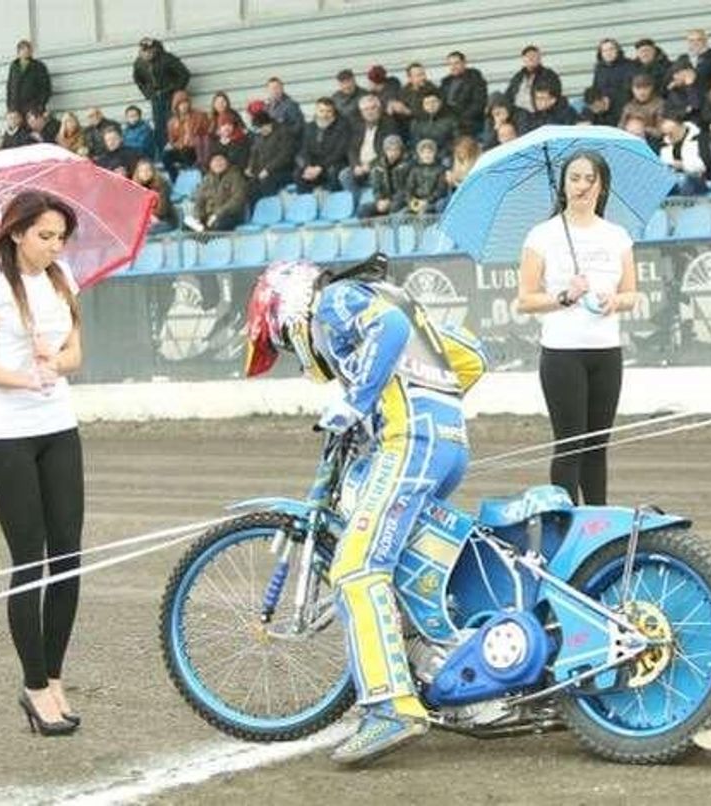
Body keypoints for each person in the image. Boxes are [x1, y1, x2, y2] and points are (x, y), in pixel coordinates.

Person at [242, 256, 488, 765]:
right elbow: (469, 358)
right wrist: (415, 393)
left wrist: (359, 400)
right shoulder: (391, 296)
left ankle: (391, 709)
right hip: (447, 443)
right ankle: (452, 677)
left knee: (356, 567)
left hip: (410, 442)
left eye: (283, 342)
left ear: (288, 311)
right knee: (404, 565)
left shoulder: (333, 300)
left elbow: (390, 328)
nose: (294, 352)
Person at [0, 191, 85, 737]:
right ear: (17, 233)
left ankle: (55, 679)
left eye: (60, 236)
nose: (55, 245)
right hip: (8, 436)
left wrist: (53, 362)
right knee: (29, 558)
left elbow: (76, 353)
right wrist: (24, 377)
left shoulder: (63, 278)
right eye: (44, 235)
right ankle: (33, 685)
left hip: (59, 428)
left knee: (69, 557)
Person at [516, 151, 639, 505]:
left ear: (602, 187)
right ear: (563, 184)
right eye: (575, 178)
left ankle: (598, 523)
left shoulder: (617, 236)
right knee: (571, 443)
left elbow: (631, 294)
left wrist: (614, 301)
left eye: (590, 179)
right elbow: (525, 299)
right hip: (562, 353)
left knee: (598, 445)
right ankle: (566, 523)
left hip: (606, 351)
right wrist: (565, 296)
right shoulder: (542, 235)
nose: (582, 185)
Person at [132, 37, 191, 156]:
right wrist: (148, 94)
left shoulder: (167, 59)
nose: (146, 53)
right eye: (143, 51)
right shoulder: (139, 63)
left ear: (154, 49)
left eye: (149, 50)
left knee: (174, 123)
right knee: (159, 126)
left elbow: (185, 75)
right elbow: (138, 80)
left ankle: (179, 152)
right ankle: (164, 153)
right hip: (155, 98)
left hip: (171, 97)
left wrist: (174, 91)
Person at [440, 51, 488, 136]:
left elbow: (478, 104)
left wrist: (460, 119)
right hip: (449, 120)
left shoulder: (475, 78)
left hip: (470, 121)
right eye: (450, 64)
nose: (453, 67)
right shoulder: (446, 82)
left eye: (456, 63)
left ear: (464, 63)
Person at [6, 40, 51, 119]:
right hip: (17, 109)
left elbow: (46, 88)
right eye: (22, 50)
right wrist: (10, 108)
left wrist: (40, 106)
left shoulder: (39, 67)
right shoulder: (13, 67)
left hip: (33, 108)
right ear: (18, 52)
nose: (25, 52)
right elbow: (9, 87)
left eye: (28, 50)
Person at [132, 158, 179, 234]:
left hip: (166, 220)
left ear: (153, 171)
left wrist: (149, 216)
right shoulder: (137, 187)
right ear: (138, 173)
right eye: (142, 171)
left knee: (141, 232)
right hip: (147, 220)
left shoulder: (162, 185)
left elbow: (162, 209)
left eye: (148, 170)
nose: (145, 173)